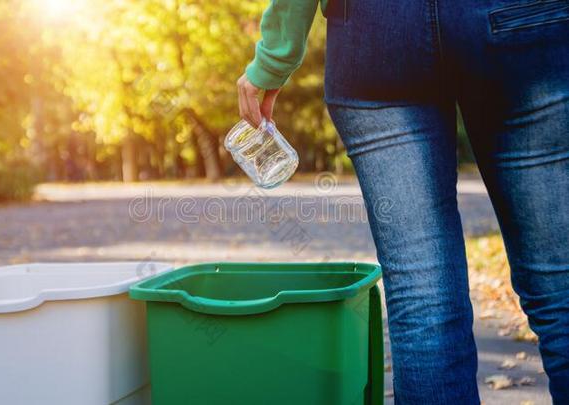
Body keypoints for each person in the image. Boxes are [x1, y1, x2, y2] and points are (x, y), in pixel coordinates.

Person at [237, 0, 569, 403]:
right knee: (561, 287)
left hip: (374, 32)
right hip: (517, 20)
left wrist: (276, 55)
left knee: (423, 299)